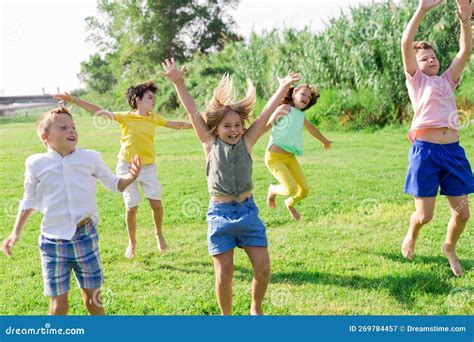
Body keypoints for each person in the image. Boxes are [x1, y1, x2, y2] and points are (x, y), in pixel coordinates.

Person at [161, 58, 301, 315]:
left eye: (237, 125)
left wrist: (282, 89)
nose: (234, 130)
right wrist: (178, 82)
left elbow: (265, 115)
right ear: (216, 128)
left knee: (263, 268)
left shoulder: (247, 141)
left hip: (248, 213)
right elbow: (192, 111)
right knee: (224, 275)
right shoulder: (208, 143)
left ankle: (255, 308)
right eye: (227, 126)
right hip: (220, 216)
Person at [1, 107, 141, 314]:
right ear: (45, 137)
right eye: (64, 127)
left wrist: (131, 176)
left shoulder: (90, 158)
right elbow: (28, 200)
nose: (71, 131)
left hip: (85, 237)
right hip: (52, 243)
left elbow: (115, 184)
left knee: (93, 300)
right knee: (59, 305)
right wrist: (15, 233)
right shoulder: (35, 163)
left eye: (73, 127)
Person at [54, 82, 192, 259]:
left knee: (156, 204)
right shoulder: (125, 117)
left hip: (148, 167)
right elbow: (98, 112)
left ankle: (159, 234)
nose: (153, 101)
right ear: (137, 100)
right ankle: (132, 242)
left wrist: (199, 122)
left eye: (153, 98)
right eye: (150, 97)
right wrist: (73, 99)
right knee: (132, 207)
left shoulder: (154, 117)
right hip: (127, 167)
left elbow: (176, 124)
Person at [400, 0, 473, 276]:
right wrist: (422, 9)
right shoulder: (417, 81)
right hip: (426, 152)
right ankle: (412, 232)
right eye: (424, 58)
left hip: (453, 153)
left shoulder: (446, 80)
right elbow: (406, 43)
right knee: (425, 215)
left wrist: (465, 19)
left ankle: (449, 247)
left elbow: (465, 50)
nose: (431, 59)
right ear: (415, 66)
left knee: (463, 213)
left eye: (433, 56)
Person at [265, 83, 333, 220]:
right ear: (294, 92)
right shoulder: (285, 108)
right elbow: (269, 123)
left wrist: (324, 141)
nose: (306, 97)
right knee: (290, 189)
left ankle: (289, 204)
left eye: (309, 96)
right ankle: (272, 189)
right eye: (303, 94)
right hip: (274, 158)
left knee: (304, 191)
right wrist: (252, 136)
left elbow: (313, 129)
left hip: (289, 157)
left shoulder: (300, 116)